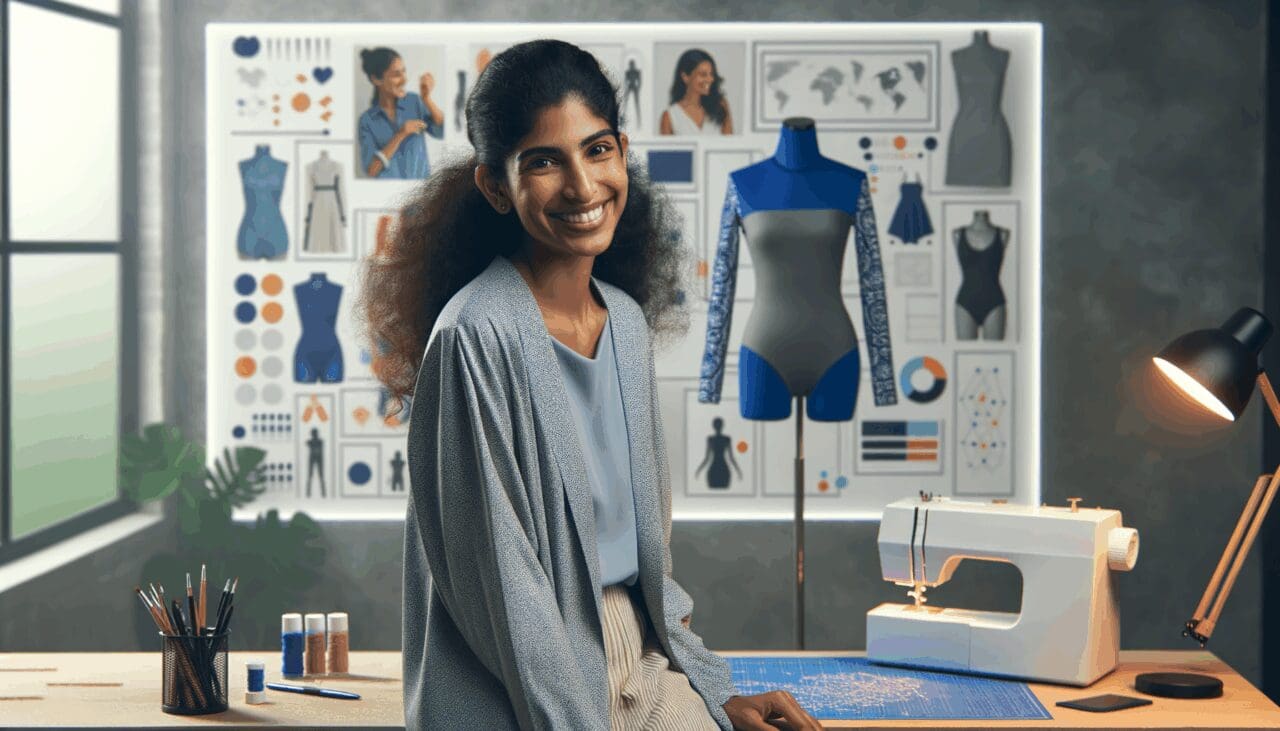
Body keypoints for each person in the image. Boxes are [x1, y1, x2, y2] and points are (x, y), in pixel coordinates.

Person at [358, 39, 820, 731]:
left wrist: (713, 690)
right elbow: (509, 600)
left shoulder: (626, 324)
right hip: (518, 691)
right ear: (494, 186)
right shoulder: (472, 338)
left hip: (642, 667)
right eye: (544, 161)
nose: (582, 185)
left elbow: (650, 564)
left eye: (597, 150)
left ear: (622, 150)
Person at [357, 47, 445, 179]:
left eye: (404, 72)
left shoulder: (414, 102)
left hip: (420, 192)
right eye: (397, 74)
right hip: (387, 194)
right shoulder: (367, 120)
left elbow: (441, 131)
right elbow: (371, 170)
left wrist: (427, 98)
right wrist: (401, 134)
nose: (405, 79)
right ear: (376, 79)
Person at [660, 49, 733, 136]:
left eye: (711, 74)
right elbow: (666, 149)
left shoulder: (721, 106)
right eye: (703, 74)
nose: (710, 79)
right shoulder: (669, 116)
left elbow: (729, 145)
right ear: (685, 77)